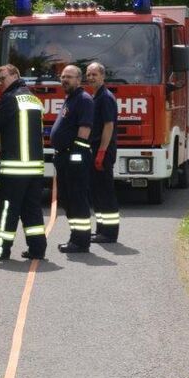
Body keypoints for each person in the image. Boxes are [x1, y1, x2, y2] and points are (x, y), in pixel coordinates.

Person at [0, 64, 47, 260]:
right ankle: (37, 250)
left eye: (3, 78)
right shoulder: (35, 100)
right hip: (35, 169)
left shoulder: (8, 99)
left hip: (14, 169)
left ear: (15, 75)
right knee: (33, 211)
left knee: (7, 211)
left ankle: (2, 250)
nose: (0, 83)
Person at [50, 65, 94, 253]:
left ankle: (81, 241)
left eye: (69, 77)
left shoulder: (83, 100)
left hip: (74, 158)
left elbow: (84, 132)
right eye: (62, 76)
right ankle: (75, 237)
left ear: (79, 79)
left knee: (77, 199)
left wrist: (73, 157)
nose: (65, 80)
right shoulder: (71, 99)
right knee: (67, 200)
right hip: (65, 156)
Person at [86, 62, 120, 243]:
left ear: (103, 76)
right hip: (97, 149)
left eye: (94, 74)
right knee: (97, 193)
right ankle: (101, 230)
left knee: (105, 193)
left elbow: (108, 126)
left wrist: (101, 152)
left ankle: (109, 233)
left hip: (103, 150)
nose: (91, 77)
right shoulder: (96, 96)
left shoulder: (105, 98)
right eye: (89, 74)